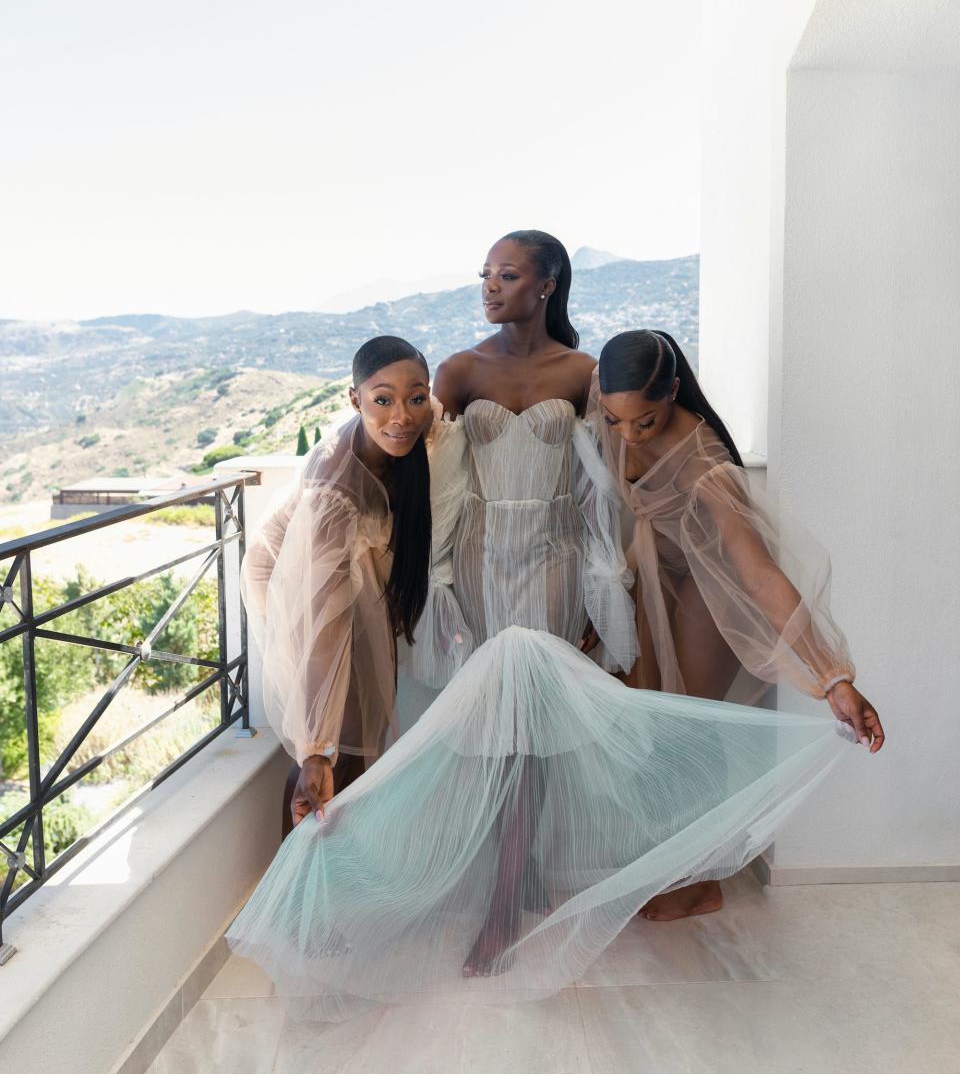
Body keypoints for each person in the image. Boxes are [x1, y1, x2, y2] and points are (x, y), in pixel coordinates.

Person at [228, 235, 864, 1022]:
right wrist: (440, 586)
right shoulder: (455, 374)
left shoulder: (587, 374)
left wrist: (606, 592)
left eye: (507, 275)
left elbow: (602, 481)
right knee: (489, 728)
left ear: (547, 284)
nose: (490, 288)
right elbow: (427, 464)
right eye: (485, 275)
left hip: (556, 564)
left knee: (534, 735)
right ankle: (458, 888)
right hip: (482, 560)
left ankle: (510, 901)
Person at [593, 327, 885, 919]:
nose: (626, 435)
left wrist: (834, 676)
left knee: (689, 728)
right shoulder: (607, 397)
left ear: (674, 391)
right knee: (650, 726)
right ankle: (669, 864)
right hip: (651, 574)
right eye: (613, 419)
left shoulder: (707, 465)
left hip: (711, 584)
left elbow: (756, 573)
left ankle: (705, 879)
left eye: (644, 423)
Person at [239, 336, 433, 835]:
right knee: (338, 736)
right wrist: (314, 748)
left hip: (353, 572)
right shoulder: (335, 490)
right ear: (355, 399)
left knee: (367, 718)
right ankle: (298, 870)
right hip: (289, 573)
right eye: (382, 400)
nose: (402, 415)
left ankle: (343, 865)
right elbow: (324, 624)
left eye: (416, 397)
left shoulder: (413, 426)